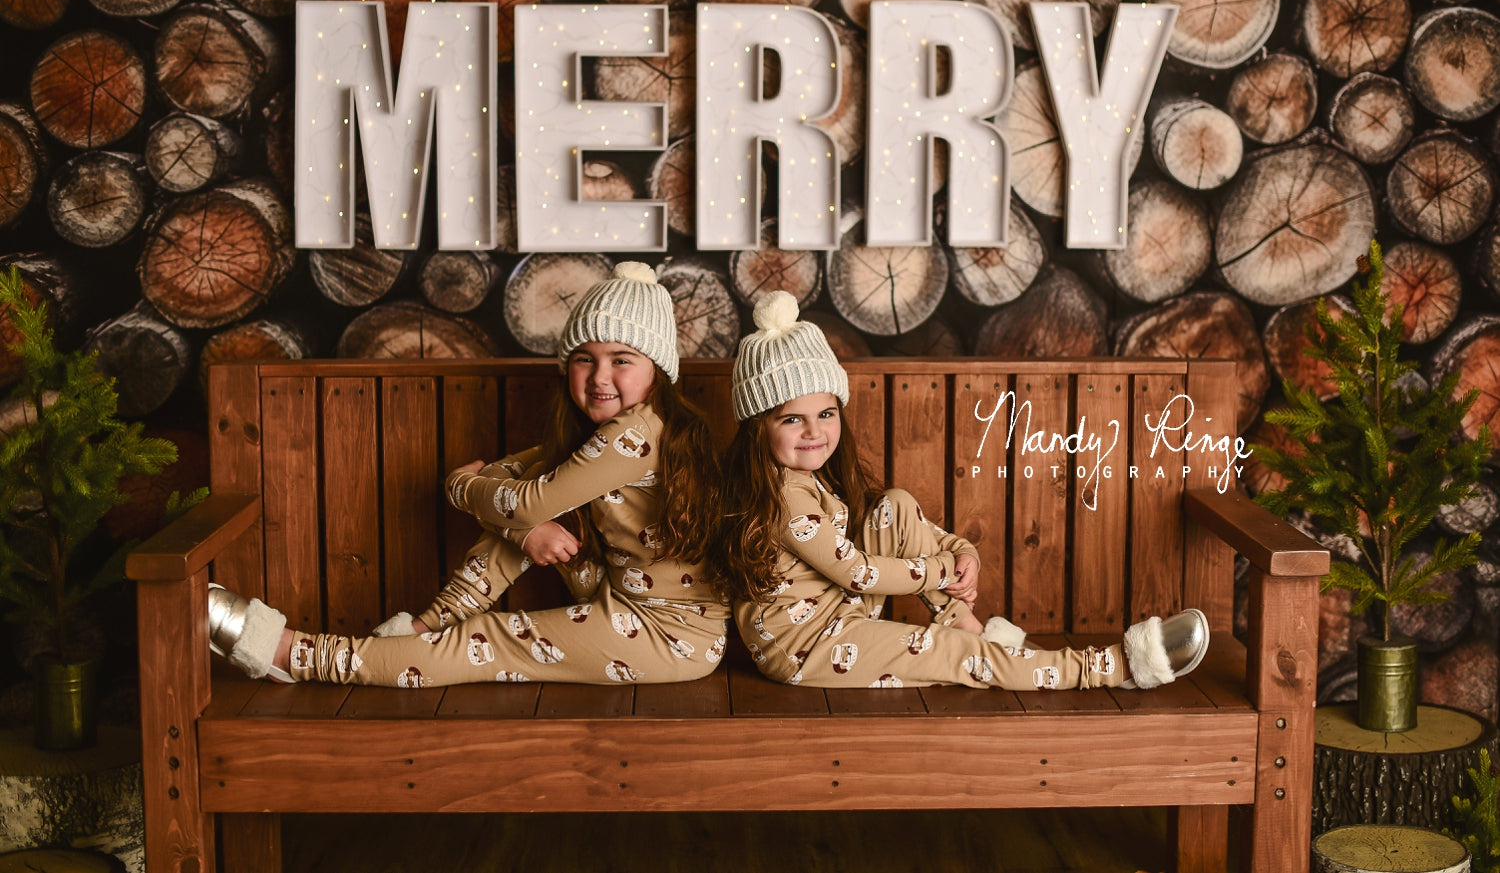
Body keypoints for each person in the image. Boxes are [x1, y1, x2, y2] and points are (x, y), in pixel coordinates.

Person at [207, 262, 731, 686]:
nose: (599, 377)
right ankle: (420, 628)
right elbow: (506, 479)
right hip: (615, 594)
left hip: (669, 634)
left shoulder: (638, 432)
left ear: (658, 369)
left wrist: (464, 488)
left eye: (621, 359)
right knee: (521, 515)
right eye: (583, 359)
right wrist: (523, 527)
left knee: (492, 637)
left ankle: (299, 655)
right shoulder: (591, 436)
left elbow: (520, 502)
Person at [704, 291, 1208, 691]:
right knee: (955, 655)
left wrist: (960, 549)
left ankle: (967, 624)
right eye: (792, 419)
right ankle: (1112, 666)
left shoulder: (807, 475)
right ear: (758, 427)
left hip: (840, 613)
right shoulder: (782, 497)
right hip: (806, 649)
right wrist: (945, 570)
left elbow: (881, 543)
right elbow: (857, 573)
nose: (815, 431)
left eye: (826, 413)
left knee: (894, 505)